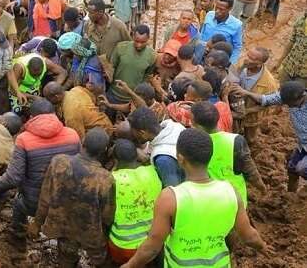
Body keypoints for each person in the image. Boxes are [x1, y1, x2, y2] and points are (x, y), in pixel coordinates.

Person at [120, 128, 269, 268]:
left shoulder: (170, 198)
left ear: (180, 158)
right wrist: (263, 247)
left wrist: (129, 265)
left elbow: (152, 247)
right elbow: (249, 236)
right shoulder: (231, 192)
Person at [0, 98, 81, 257]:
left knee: (18, 205)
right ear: (54, 114)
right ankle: (66, 255)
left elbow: (13, 178)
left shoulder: (24, 139)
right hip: (66, 200)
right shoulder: (73, 135)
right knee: (66, 233)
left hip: (34, 203)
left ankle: (18, 241)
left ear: (31, 118)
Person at [28, 127, 114, 267]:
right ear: (104, 151)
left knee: (66, 258)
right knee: (100, 261)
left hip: (62, 225)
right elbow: (107, 215)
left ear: (83, 141)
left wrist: (37, 223)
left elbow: (45, 196)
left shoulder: (59, 162)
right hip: (89, 231)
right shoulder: (105, 178)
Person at [236, 81, 307, 192]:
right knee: (292, 169)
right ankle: (291, 197)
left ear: (302, 97)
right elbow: (266, 99)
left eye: (292, 104)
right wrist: (246, 93)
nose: (289, 106)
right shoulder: (288, 96)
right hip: (302, 145)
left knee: (302, 168)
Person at [191, 101, 266, 205]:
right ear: (218, 118)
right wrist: (261, 187)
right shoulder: (236, 140)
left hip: (207, 202)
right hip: (235, 200)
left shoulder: (191, 144)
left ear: (194, 123)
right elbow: (249, 169)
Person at [108, 138, 162, 265]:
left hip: (122, 245)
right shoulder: (152, 172)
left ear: (115, 160)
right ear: (136, 155)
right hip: (151, 244)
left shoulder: (112, 179)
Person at [228, 46, 278, 143]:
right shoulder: (241, 63)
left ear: (260, 63)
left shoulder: (269, 83)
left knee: (250, 139)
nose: (247, 59)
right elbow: (232, 76)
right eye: (248, 55)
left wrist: (246, 111)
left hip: (251, 118)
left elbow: (267, 104)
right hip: (234, 108)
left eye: (252, 58)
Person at [128, 106, 185, 187]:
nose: (133, 135)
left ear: (142, 133)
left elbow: (172, 190)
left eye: (133, 132)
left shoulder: (163, 159)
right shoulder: (175, 127)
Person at [43, 81, 113, 139]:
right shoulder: (77, 89)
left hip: (102, 133)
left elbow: (79, 138)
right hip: (105, 122)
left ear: (56, 97)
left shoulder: (71, 114)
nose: (48, 101)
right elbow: (93, 99)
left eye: (48, 99)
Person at [108, 25, 156, 104]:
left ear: (148, 39)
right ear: (133, 36)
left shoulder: (152, 56)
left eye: (143, 42)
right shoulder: (121, 47)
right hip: (114, 94)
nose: (139, 45)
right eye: (136, 41)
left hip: (132, 99)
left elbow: (147, 76)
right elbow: (111, 68)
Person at [166, 79, 233, 132]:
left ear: (198, 100)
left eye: (188, 94)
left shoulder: (194, 115)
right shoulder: (222, 107)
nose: (185, 95)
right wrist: (225, 97)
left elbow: (171, 108)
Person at [200, 0, 243, 64]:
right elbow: (202, 33)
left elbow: (237, 47)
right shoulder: (209, 15)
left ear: (230, 9)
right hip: (202, 54)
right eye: (216, 8)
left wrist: (230, 63)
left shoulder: (237, 25)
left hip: (218, 60)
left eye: (221, 9)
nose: (217, 11)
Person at [277, 11, 307, 86]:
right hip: (289, 66)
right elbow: (291, 42)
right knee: (282, 92)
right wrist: (280, 61)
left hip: (304, 75)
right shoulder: (301, 21)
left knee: (296, 96)